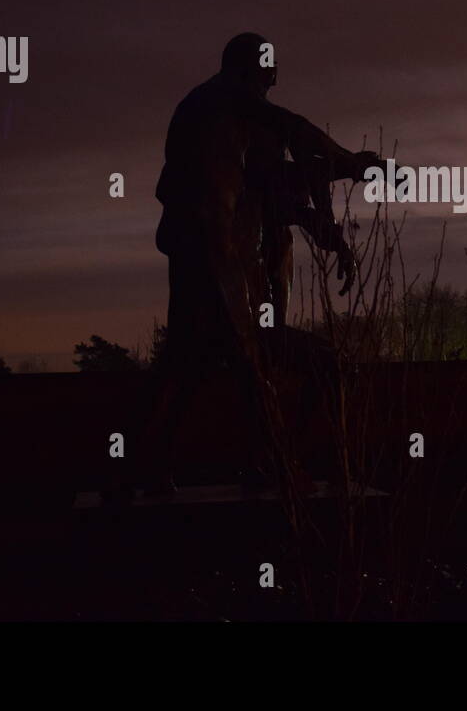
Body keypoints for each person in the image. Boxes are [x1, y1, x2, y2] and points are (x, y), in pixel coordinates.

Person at [144, 32, 380, 495]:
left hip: (223, 263)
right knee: (249, 366)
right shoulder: (219, 102)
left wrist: (328, 198)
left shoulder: (236, 121)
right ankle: (277, 467)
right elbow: (292, 128)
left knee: (187, 370)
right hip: (217, 262)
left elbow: (275, 183)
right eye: (266, 70)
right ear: (247, 67)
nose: (273, 79)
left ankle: (152, 469)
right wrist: (351, 162)